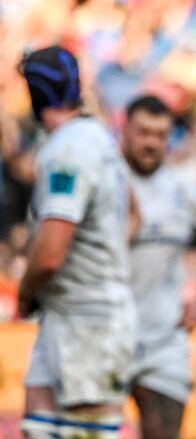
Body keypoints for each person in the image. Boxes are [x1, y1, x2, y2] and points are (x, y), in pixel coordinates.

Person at [18, 46, 136, 438]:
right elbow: (135, 215)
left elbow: (51, 254)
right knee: (39, 429)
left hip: (88, 322)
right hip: (77, 316)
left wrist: (25, 291)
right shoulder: (99, 139)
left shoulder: (68, 149)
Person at [121, 94, 196, 438]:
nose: (151, 142)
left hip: (164, 341)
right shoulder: (105, 181)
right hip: (106, 334)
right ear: (125, 130)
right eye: (143, 132)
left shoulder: (181, 188)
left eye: (160, 134)